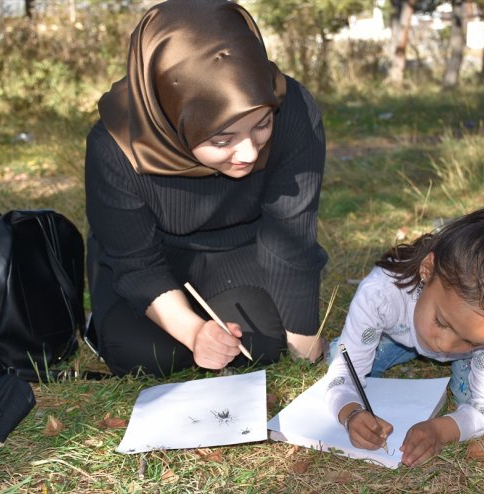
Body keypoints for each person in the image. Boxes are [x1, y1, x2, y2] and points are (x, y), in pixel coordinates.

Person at [84, 0, 327, 378]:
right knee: (145, 355)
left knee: (261, 344)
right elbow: (136, 262)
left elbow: (291, 230)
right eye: (222, 139)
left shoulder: (292, 108)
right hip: (149, 256)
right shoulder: (115, 146)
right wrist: (195, 331)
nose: (248, 152)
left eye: (262, 125)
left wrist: (304, 347)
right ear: (173, 115)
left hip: (242, 246)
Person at [324, 205, 484, 467]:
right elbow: (343, 374)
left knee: (470, 397)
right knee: (336, 355)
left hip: (480, 347)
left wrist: (440, 430)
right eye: (442, 322)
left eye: (470, 340)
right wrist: (351, 413)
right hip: (400, 332)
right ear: (427, 269)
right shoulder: (380, 294)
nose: (445, 346)